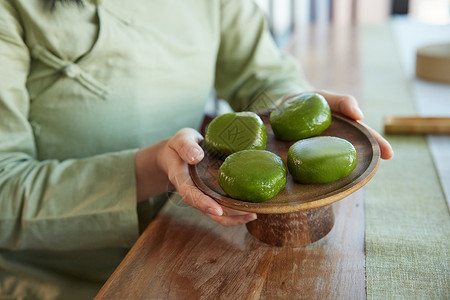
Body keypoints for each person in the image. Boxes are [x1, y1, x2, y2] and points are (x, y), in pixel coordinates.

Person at [0, 0, 393, 299]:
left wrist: (292, 103)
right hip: (67, 279)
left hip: (188, 242)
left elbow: (258, 73)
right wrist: (155, 167)